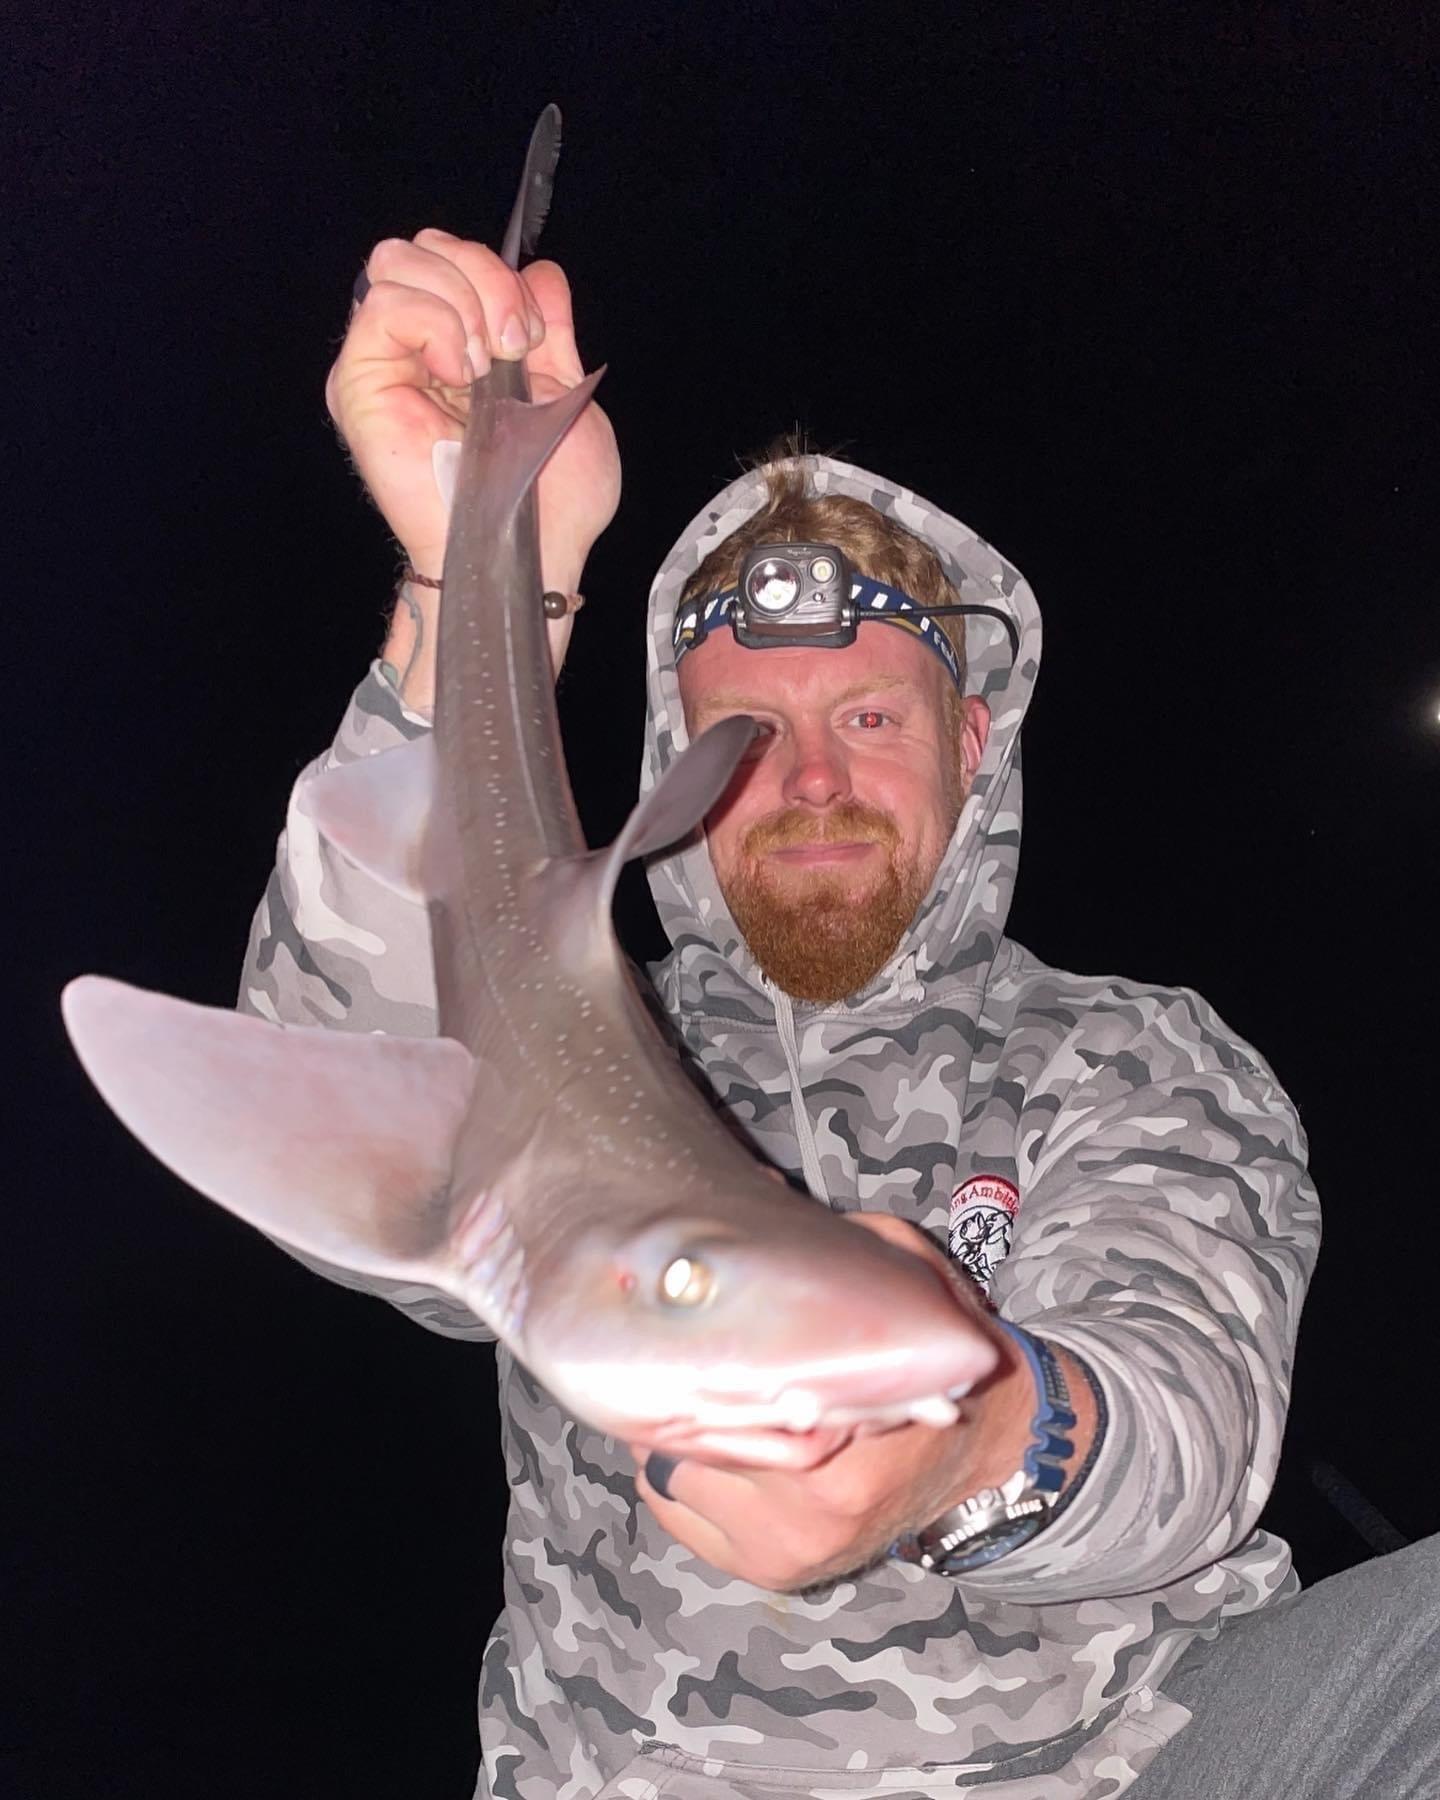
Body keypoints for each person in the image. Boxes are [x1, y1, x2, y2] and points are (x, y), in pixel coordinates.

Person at [240, 231, 1436, 1798]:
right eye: (748, 729)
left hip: (1124, 1762)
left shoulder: (1135, 1055)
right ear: (679, 760)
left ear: (971, 742)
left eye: (869, 716)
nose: (808, 780)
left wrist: (962, 1432)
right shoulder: (588, 1064)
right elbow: (333, 1132)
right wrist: (475, 571)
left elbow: (1187, 1423)